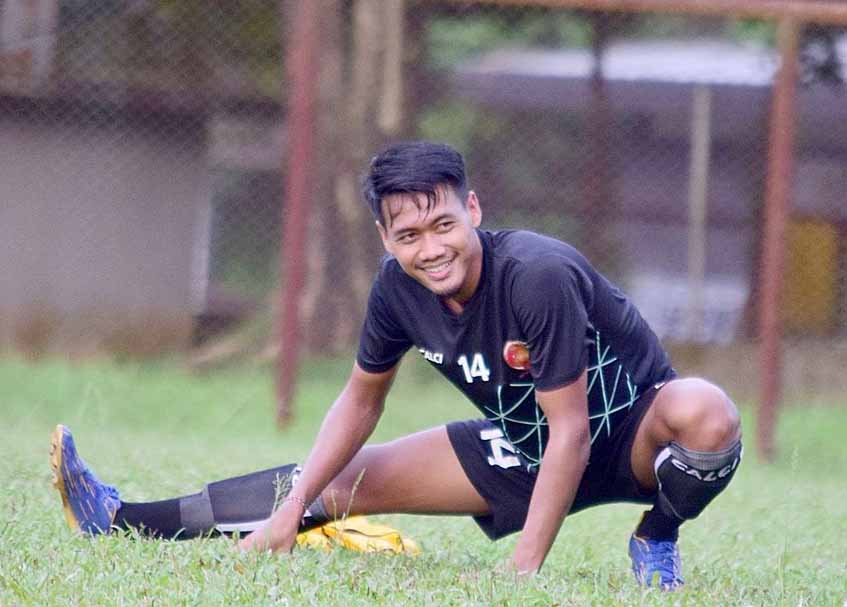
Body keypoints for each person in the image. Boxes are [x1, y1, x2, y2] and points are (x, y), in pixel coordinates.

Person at [51, 141, 742, 590]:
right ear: (385, 238)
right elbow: (359, 401)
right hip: (524, 446)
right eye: (408, 235)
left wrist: (523, 570)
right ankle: (121, 517)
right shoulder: (395, 290)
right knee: (339, 482)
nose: (431, 249)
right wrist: (291, 512)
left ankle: (656, 536)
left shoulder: (537, 274)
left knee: (706, 411)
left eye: (443, 224)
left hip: (629, 437)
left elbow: (573, 430)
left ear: (472, 209)